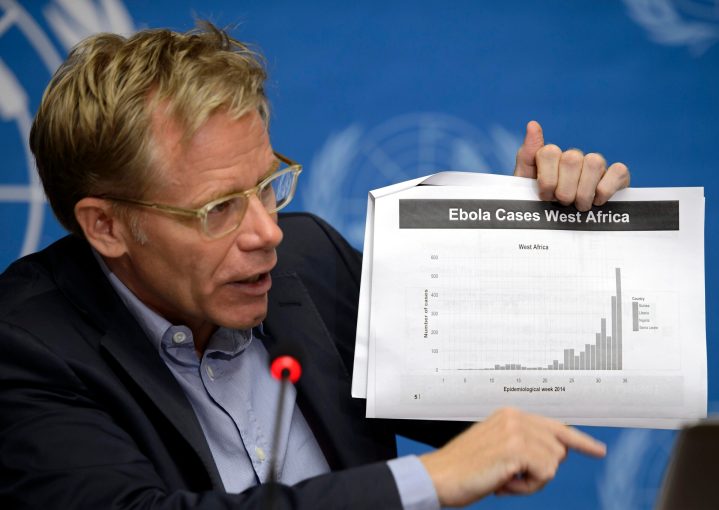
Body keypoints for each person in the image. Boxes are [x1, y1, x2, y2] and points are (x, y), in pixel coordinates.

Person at [0, 23, 629, 509]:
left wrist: (531, 239)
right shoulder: (25, 347)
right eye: (219, 208)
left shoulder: (311, 260)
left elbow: (485, 412)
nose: (267, 230)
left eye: (269, 185)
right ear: (106, 226)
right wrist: (424, 481)